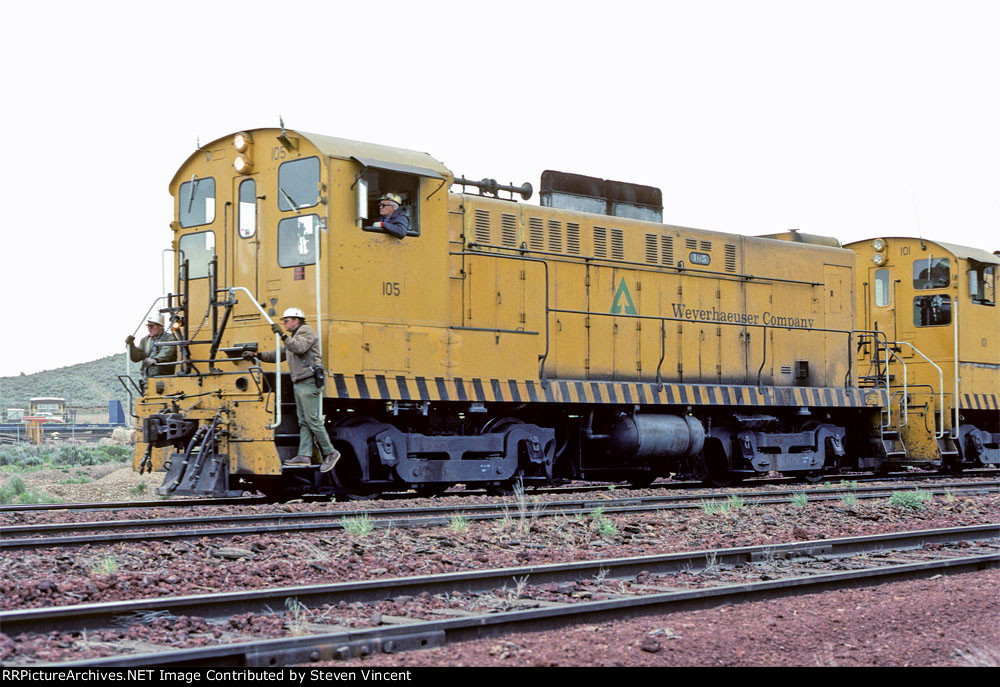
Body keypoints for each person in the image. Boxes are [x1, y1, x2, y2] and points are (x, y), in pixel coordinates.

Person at [245, 307, 340, 472]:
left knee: (312, 420)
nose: (284, 323)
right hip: (300, 383)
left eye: (286, 321)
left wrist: (282, 335)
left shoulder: (306, 333)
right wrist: (257, 355)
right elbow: (279, 354)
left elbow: (299, 348)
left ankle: (331, 452)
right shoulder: (294, 337)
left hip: (308, 382)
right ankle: (304, 456)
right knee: (304, 421)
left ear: (296, 320)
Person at [126, 315, 177, 382]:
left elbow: (166, 353)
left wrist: (155, 360)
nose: (149, 328)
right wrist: (131, 345)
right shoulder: (145, 340)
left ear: (160, 326)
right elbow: (137, 357)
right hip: (147, 378)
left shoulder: (170, 338)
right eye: (148, 326)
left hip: (165, 377)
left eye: (151, 326)